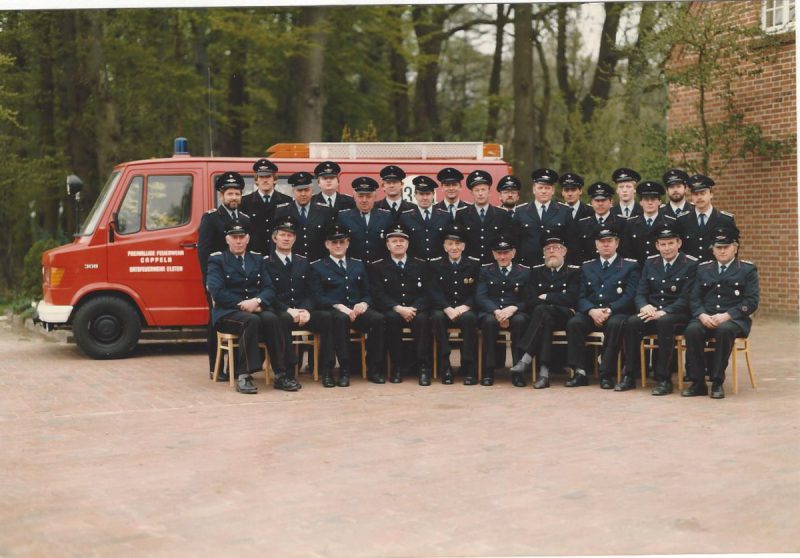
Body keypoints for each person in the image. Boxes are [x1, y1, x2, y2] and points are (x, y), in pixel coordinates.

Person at [206, 221, 288, 394]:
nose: (238, 241)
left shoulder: (257, 259)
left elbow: (269, 288)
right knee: (250, 321)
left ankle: (281, 374)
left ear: (247, 239)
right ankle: (243, 375)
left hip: (254, 309)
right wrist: (244, 305)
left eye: (241, 237)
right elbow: (217, 291)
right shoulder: (217, 259)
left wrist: (257, 302)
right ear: (227, 240)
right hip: (227, 313)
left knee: (273, 319)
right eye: (234, 238)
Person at [682, 225, 759, 399]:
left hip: (734, 319)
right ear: (713, 250)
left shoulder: (747, 270)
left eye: (726, 247)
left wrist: (727, 315)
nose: (722, 251)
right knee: (692, 330)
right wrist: (702, 315)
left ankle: (717, 381)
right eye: (718, 248)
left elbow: (751, 301)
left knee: (724, 330)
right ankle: (698, 382)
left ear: (735, 247)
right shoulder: (703, 268)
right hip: (706, 316)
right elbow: (694, 298)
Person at [620, 224, 697, 395]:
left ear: (679, 243)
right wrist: (644, 306)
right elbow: (640, 292)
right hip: (651, 311)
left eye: (670, 243)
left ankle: (664, 379)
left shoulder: (690, 264)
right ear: (657, 246)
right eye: (663, 244)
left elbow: (687, 298)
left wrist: (665, 311)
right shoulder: (650, 262)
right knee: (632, 322)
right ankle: (630, 375)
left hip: (677, 314)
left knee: (665, 322)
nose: (667, 248)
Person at [262, 216, 336, 387]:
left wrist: (305, 310)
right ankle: (286, 372)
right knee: (281, 320)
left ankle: (327, 370)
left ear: (295, 239)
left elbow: (312, 292)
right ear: (275, 238)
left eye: (290, 235)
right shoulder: (266, 263)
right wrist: (290, 310)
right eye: (282, 235)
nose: (286, 238)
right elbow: (269, 294)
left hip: (303, 311)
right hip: (282, 312)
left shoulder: (303, 262)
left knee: (327, 317)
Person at [310, 223, 386, 385]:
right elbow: (317, 297)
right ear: (326, 244)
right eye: (334, 242)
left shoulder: (358, 265)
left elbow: (367, 292)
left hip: (357, 311)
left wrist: (364, 303)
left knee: (378, 319)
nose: (338, 245)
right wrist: (339, 306)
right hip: (334, 311)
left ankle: (374, 368)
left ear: (348, 243)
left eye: (342, 242)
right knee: (340, 319)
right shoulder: (317, 267)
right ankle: (344, 369)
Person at [565, 226, 640, 389]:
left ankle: (606, 374)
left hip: (616, 312)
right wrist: (591, 311)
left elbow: (630, 296)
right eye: (602, 242)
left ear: (617, 243)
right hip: (592, 312)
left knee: (615, 325)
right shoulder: (587, 266)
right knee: (574, 323)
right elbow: (581, 296)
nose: (606, 245)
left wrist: (609, 310)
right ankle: (580, 372)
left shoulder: (629, 266)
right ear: (596, 245)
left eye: (609, 241)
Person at [508, 230, 580, 388]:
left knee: (542, 310)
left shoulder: (574, 272)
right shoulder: (536, 272)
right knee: (544, 317)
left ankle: (526, 359)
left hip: (565, 317)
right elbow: (529, 299)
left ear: (564, 251)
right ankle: (543, 372)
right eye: (548, 249)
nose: (552, 251)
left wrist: (546, 297)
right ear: (543, 253)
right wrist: (556, 299)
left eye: (556, 247)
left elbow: (572, 298)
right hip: (544, 318)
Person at [198, 171, 252, 379]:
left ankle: (236, 367)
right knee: (216, 324)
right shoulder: (211, 218)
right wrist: (210, 285)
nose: (234, 198)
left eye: (237, 194)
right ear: (221, 195)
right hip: (218, 282)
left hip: (241, 282)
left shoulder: (246, 219)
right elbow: (204, 253)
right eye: (230, 194)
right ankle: (217, 367)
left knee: (240, 321)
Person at [369, 223, 432, 385]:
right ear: (387, 244)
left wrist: (414, 308)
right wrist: (398, 308)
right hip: (393, 309)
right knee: (391, 319)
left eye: (402, 241)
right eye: (394, 240)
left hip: (416, 309)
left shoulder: (421, 265)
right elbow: (377, 294)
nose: (398, 244)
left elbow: (427, 292)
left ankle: (423, 368)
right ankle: (397, 367)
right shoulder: (378, 266)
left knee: (423, 320)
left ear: (408, 244)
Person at [429, 225, 481, 385]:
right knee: (436, 317)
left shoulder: (474, 264)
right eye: (450, 244)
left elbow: (478, 291)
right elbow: (433, 291)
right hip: (444, 308)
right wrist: (447, 308)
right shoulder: (435, 264)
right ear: (444, 246)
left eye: (458, 244)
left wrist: (464, 307)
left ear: (463, 246)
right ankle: (445, 366)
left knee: (470, 319)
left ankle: (469, 365)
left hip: (465, 308)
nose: (454, 247)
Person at [476, 236, 531, 386]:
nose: (502, 256)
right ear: (493, 254)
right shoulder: (485, 270)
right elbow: (481, 296)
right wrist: (495, 311)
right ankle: (488, 370)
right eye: (499, 253)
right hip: (491, 312)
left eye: (506, 252)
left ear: (513, 253)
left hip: (515, 311)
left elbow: (528, 299)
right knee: (488, 323)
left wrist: (513, 308)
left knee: (521, 322)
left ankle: (518, 372)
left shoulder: (524, 271)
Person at [513, 168, 575, 267]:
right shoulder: (520, 212)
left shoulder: (564, 211)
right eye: (540, 188)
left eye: (547, 188)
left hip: (555, 266)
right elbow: (515, 243)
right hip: (528, 266)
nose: (544, 191)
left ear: (553, 190)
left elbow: (571, 242)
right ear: (534, 189)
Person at [675, 174, 736, 263]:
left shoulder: (725, 220)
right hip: (690, 273)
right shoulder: (682, 220)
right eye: (695, 194)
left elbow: (733, 250)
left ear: (711, 194)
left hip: (714, 274)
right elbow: (679, 250)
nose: (699, 197)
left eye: (703, 193)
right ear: (691, 196)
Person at [274, 171, 334, 262]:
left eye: (306, 190)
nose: (303, 194)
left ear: (312, 190)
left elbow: (330, 239)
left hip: (318, 264)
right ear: (293, 191)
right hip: (293, 264)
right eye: (299, 190)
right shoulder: (282, 211)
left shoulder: (324, 211)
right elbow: (275, 241)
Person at [455, 170, 512, 264]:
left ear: (489, 192)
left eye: (483, 189)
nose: (480, 193)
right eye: (477, 190)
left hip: (493, 266)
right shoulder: (461, 214)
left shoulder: (501, 214)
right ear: (471, 193)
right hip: (469, 265)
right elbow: (459, 242)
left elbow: (507, 243)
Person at [240, 158, 291, 255]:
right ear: (256, 180)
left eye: (268, 176)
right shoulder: (244, 202)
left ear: (274, 179)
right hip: (253, 257)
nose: (265, 180)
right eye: (261, 177)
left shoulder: (287, 201)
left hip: (278, 256)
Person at [336, 176, 393, 263]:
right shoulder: (343, 217)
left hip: (379, 268)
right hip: (354, 269)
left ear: (375, 197)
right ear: (354, 197)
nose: (364, 200)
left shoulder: (386, 216)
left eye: (368, 196)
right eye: (360, 196)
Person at [621, 181, 677, 266]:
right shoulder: (630, 224)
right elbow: (626, 252)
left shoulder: (670, 222)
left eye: (653, 199)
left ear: (659, 202)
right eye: (646, 199)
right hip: (637, 270)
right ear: (641, 202)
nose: (650, 202)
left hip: (661, 271)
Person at [573, 181, 627, 265]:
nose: (600, 204)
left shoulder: (622, 222)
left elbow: (625, 250)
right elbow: (578, 252)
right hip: (590, 270)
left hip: (616, 268)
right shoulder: (582, 224)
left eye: (603, 200)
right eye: (597, 200)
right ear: (591, 202)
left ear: (610, 202)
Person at [399, 175, 451, 261]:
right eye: (421, 194)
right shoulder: (406, 217)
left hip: (439, 265)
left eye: (428, 194)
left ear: (433, 195)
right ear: (415, 195)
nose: (424, 198)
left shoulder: (445, 216)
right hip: (416, 265)